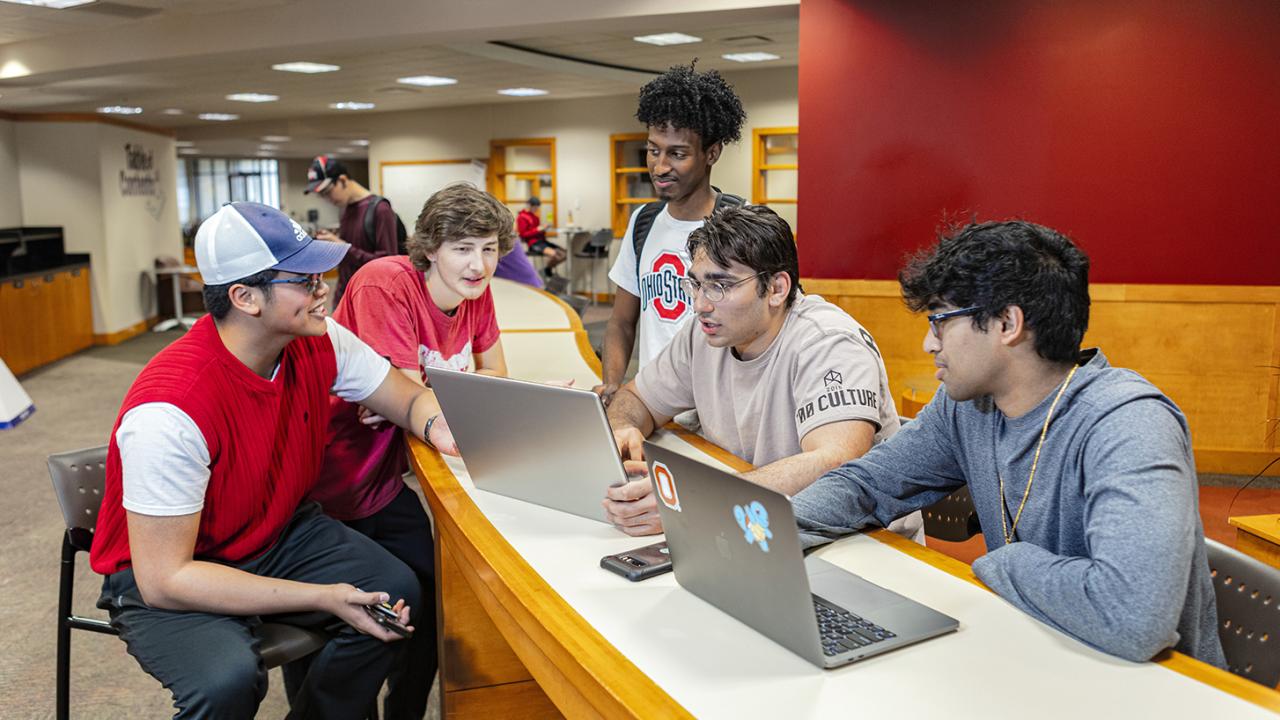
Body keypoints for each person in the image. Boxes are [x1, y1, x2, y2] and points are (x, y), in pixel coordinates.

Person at [790, 220, 1227, 666]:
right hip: (1040, 653)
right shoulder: (968, 407)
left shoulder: (1129, 424)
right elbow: (866, 485)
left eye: (940, 321)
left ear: (1007, 323)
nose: (928, 342)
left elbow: (1133, 619)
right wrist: (760, 533)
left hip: (1156, 689)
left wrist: (1005, 562)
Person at [90, 202, 450, 718]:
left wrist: (439, 426)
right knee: (226, 682)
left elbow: (409, 398)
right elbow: (165, 579)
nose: (324, 287)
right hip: (177, 569)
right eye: (304, 278)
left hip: (276, 531)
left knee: (393, 596)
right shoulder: (170, 410)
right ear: (244, 297)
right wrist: (322, 596)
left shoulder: (317, 339)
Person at [312, 183, 513, 719]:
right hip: (332, 479)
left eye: (489, 248)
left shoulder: (474, 291)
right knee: (363, 613)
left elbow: (496, 377)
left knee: (430, 602)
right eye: (463, 248)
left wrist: (434, 392)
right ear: (430, 248)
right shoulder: (386, 283)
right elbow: (409, 399)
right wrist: (441, 392)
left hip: (384, 480)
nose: (479, 264)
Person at [602, 205, 922, 541]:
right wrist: (625, 426)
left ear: (776, 289)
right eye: (694, 285)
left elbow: (837, 463)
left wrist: (695, 501)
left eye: (719, 286)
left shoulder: (828, 343)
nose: (700, 304)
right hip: (755, 523)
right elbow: (636, 398)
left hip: (860, 541)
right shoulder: (704, 334)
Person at [594, 64, 747, 405]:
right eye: (653, 150)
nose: (660, 167)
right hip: (654, 406)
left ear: (712, 153)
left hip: (720, 408)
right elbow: (621, 321)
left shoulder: (743, 223)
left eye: (677, 154)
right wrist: (614, 384)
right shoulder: (643, 222)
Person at [304, 154, 400, 302]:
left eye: (327, 192)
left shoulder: (380, 209)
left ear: (342, 180)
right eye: (321, 195)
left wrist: (343, 247)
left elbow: (387, 263)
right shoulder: (345, 209)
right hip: (345, 294)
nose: (327, 199)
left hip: (370, 298)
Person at [516, 196, 565, 278]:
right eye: (535, 207)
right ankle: (547, 271)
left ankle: (547, 269)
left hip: (542, 241)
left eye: (537, 208)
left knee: (564, 253)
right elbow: (523, 234)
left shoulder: (535, 217)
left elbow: (538, 231)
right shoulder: (522, 217)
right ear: (529, 205)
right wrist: (537, 229)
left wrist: (543, 229)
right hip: (534, 243)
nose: (536, 210)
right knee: (555, 254)